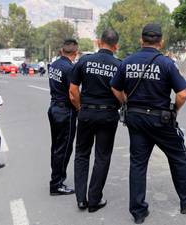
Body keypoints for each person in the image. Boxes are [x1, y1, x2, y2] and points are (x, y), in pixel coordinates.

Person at [111, 23, 186, 224]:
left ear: (141, 40)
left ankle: (138, 211)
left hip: (135, 118)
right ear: (160, 42)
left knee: (138, 163)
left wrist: (126, 102)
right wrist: (175, 111)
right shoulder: (167, 63)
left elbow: (115, 89)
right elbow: (182, 94)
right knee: (178, 157)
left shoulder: (127, 62)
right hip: (161, 119)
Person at [69, 29, 121, 213]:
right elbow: (122, 94)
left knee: (82, 154)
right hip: (108, 115)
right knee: (102, 157)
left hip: (86, 113)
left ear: (99, 42)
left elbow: (73, 91)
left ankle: (81, 199)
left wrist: (80, 107)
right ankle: (94, 199)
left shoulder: (84, 60)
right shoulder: (118, 64)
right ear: (116, 45)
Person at [47, 39, 79, 196]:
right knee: (64, 148)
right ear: (75, 53)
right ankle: (56, 183)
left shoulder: (54, 65)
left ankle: (56, 178)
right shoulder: (69, 68)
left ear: (62, 50)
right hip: (65, 111)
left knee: (56, 146)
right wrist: (79, 108)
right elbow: (73, 94)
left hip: (53, 108)